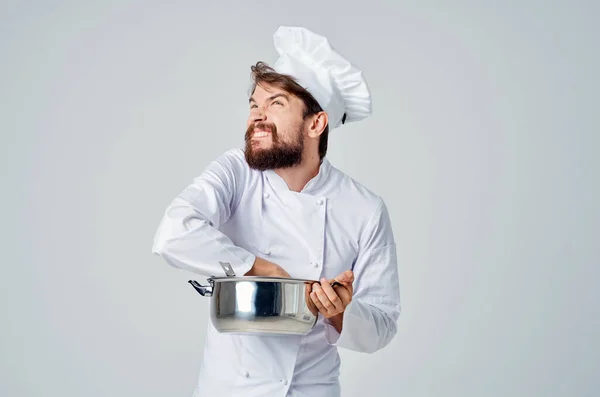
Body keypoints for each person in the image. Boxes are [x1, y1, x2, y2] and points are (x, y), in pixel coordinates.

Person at [152, 25, 401, 397]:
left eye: (276, 104)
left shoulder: (364, 208)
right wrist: (256, 268)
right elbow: (174, 233)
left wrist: (339, 312)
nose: (257, 115)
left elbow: (381, 327)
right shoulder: (237, 172)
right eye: (255, 104)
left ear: (316, 123)